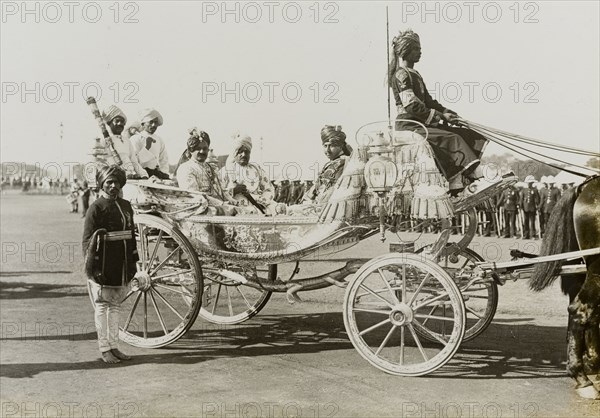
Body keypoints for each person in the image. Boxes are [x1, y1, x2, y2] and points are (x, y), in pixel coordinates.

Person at [388, 29, 490, 196]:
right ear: (406, 51)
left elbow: (428, 101)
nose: (420, 52)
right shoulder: (401, 75)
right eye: (416, 49)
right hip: (409, 124)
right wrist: (440, 116)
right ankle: (469, 175)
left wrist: (447, 112)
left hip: (421, 122)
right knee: (452, 138)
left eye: (420, 48)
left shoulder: (416, 74)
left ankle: (459, 182)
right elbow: (411, 106)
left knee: (465, 133)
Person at [82, 165, 138, 364]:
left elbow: (131, 235)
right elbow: (87, 241)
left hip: (121, 263)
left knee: (115, 306)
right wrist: (93, 268)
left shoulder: (125, 205)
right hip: (103, 262)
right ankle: (104, 348)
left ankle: (115, 346)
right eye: (109, 182)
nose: (113, 186)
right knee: (101, 306)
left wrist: (133, 261)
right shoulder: (96, 207)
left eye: (117, 182)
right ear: (102, 184)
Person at [220, 134, 276, 215]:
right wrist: (234, 191)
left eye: (247, 152)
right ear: (234, 153)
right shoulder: (225, 171)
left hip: (258, 207)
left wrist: (262, 202)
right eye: (240, 152)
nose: (244, 155)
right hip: (236, 209)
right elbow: (218, 194)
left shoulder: (257, 168)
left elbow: (269, 189)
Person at [176, 134, 235, 205]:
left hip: (219, 207)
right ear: (191, 150)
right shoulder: (185, 168)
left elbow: (222, 191)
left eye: (205, 148)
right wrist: (221, 204)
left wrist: (231, 200)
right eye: (198, 149)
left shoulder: (212, 168)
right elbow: (194, 195)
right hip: (199, 209)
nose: (202, 151)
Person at [303, 125, 351, 205]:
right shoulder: (332, 163)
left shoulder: (342, 163)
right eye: (325, 146)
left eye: (331, 146)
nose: (327, 150)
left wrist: (310, 202)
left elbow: (325, 195)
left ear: (341, 146)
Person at [98, 105, 148, 179]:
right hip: (113, 179)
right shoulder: (103, 140)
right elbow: (102, 163)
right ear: (109, 123)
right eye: (117, 121)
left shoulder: (127, 141)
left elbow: (134, 161)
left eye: (122, 122)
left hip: (132, 177)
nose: (120, 124)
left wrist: (143, 175)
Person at [130, 108, 170, 179]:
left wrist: (164, 174)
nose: (154, 125)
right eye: (151, 122)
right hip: (141, 175)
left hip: (156, 175)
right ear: (143, 124)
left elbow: (163, 159)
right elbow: (134, 160)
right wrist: (147, 147)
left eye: (155, 122)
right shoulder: (136, 138)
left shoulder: (159, 140)